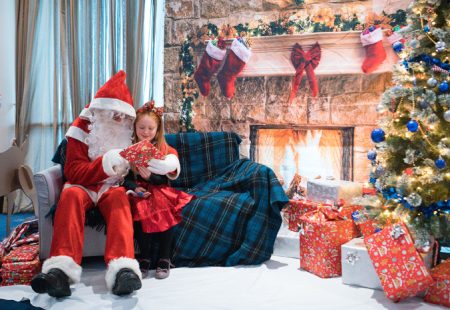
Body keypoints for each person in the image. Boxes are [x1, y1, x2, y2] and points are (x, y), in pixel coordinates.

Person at [31, 71, 142, 297]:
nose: (120, 120)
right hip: (81, 185)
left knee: (120, 200)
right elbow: (73, 170)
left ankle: (123, 270)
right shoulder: (82, 128)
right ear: (101, 111)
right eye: (115, 115)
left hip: (111, 187)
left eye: (123, 116)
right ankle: (59, 272)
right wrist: (107, 162)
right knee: (69, 197)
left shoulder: (127, 131)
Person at [123, 101, 194, 279]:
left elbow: (165, 178)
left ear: (157, 130)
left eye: (150, 129)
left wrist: (150, 177)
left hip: (159, 187)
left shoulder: (164, 149)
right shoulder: (129, 148)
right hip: (138, 190)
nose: (146, 132)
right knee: (139, 208)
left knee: (163, 206)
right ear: (135, 127)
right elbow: (124, 178)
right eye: (141, 128)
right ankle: (145, 256)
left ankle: (165, 257)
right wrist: (135, 186)